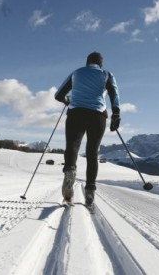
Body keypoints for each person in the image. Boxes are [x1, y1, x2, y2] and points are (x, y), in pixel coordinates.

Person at [54, 51, 121, 208]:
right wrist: (116, 114)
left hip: (76, 113)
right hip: (97, 116)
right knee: (92, 153)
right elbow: (114, 94)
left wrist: (67, 100)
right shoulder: (106, 74)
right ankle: (90, 191)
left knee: (72, 146)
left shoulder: (76, 73)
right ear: (100, 63)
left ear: (87, 62)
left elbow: (58, 95)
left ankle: (70, 172)